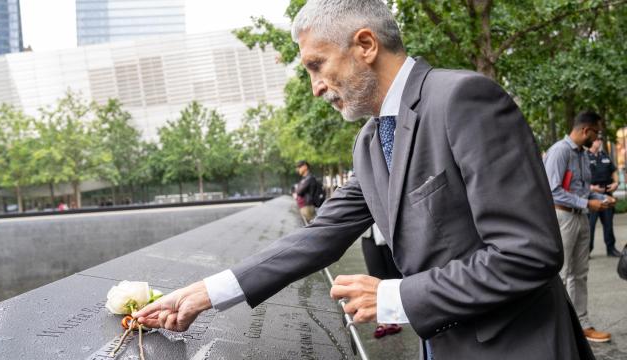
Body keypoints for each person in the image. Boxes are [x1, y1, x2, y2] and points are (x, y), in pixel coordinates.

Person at [135, 1, 593, 359]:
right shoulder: (370, 141)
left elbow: (529, 253)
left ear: (366, 45)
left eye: (316, 65)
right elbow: (320, 237)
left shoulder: (463, 99)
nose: (314, 87)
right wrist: (202, 295)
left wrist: (397, 296)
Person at [543, 110, 616, 343]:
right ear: (586, 129)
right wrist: (587, 202)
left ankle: (581, 325)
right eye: (596, 131)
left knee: (580, 274)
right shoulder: (559, 151)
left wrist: (601, 198)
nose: (597, 137)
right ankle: (557, 329)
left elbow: (581, 188)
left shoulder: (583, 154)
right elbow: (553, 190)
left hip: (581, 216)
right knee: (562, 273)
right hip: (563, 218)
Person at [361, 224, 402, 339]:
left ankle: (394, 318)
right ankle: (382, 321)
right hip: (368, 234)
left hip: (389, 235)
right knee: (375, 277)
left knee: (393, 277)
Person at [587, 136, 621, 257]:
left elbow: (614, 171)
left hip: (607, 194)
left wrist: (616, 183)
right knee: (590, 225)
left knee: (608, 223)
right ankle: (587, 251)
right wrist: (591, 188)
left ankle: (611, 248)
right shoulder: (585, 156)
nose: (599, 141)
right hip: (592, 196)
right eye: (597, 139)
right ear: (591, 141)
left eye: (601, 139)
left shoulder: (605, 155)